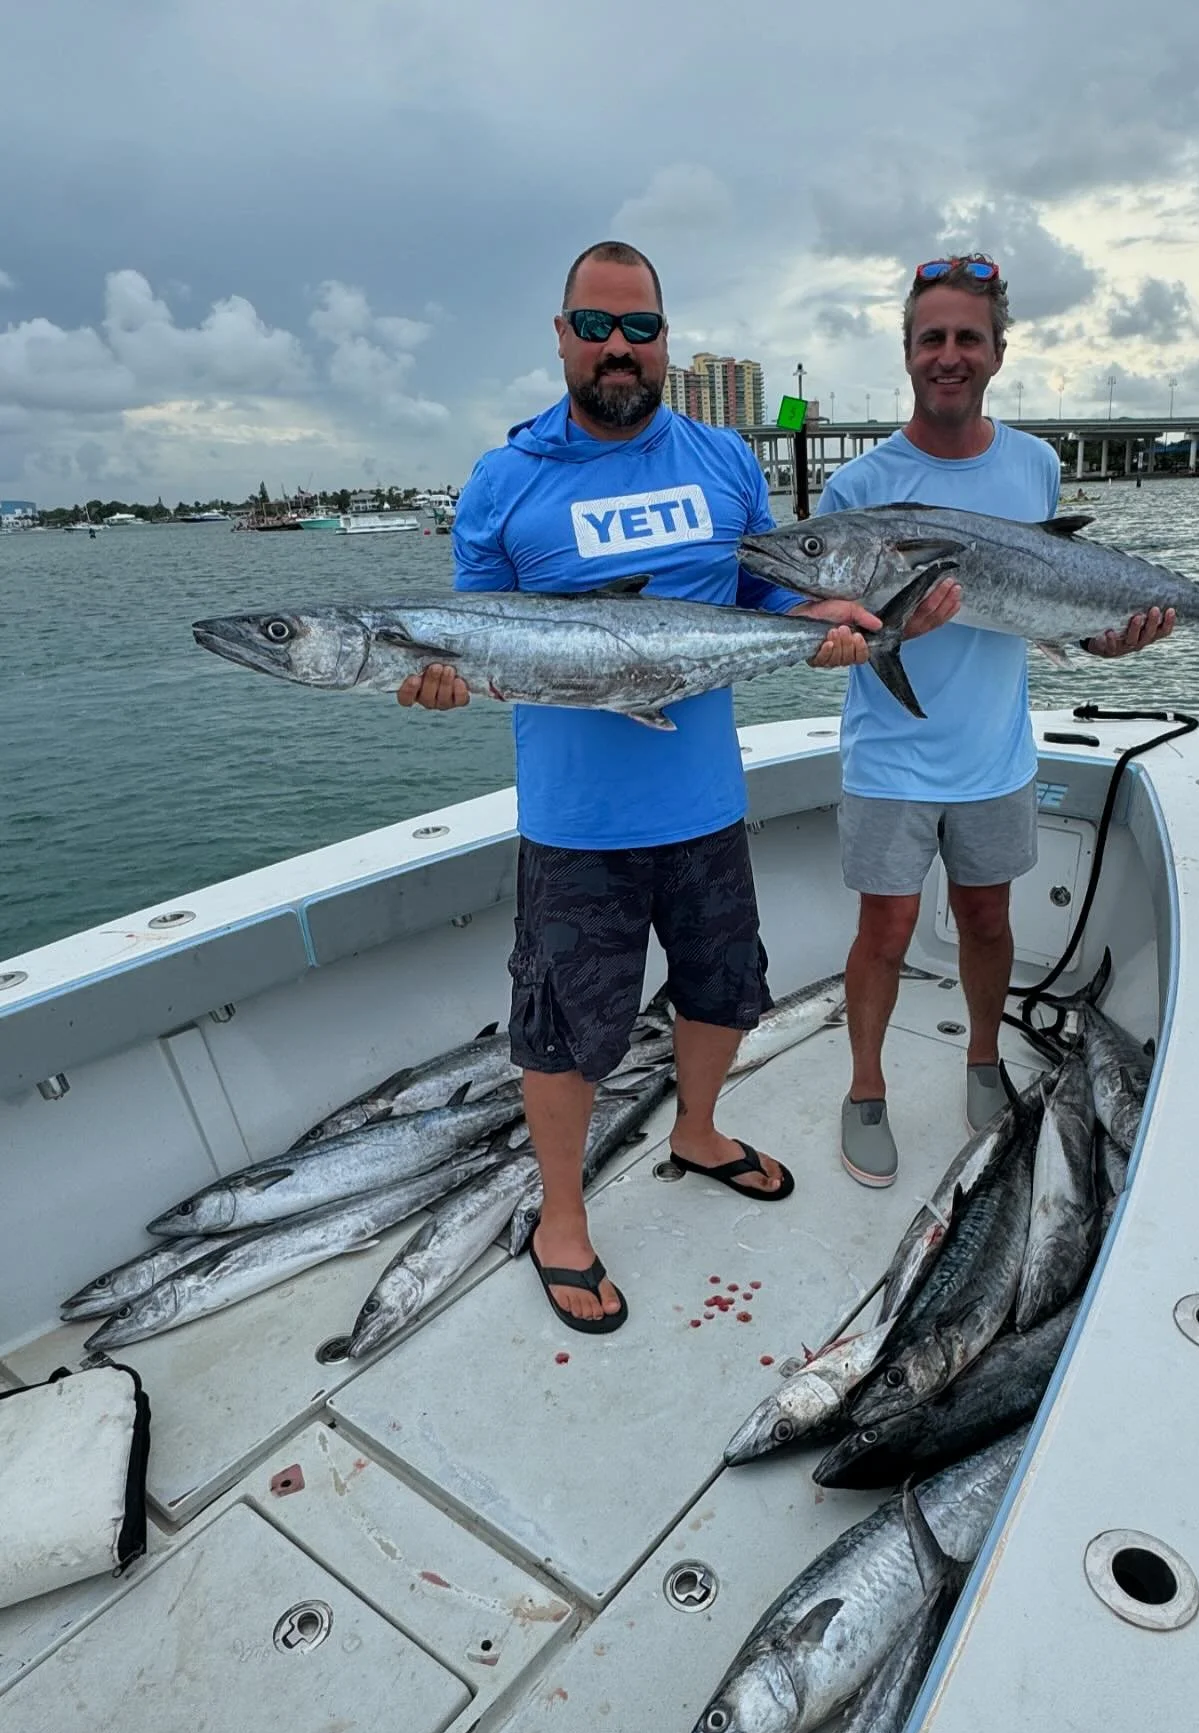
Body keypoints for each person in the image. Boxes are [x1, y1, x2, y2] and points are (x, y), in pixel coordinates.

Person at [396, 240, 958, 1327]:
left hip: (705, 804)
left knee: (722, 989)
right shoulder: (504, 482)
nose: (619, 348)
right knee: (563, 1033)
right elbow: (474, 636)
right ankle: (562, 1217)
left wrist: (830, 626)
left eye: (640, 329)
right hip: (577, 824)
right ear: (562, 336)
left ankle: (697, 1132)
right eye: (597, 327)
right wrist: (441, 683)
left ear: (667, 342)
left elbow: (764, 597)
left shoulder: (723, 462)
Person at [814, 254, 1174, 1188]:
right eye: (931, 338)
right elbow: (827, 637)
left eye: (967, 337)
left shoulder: (1035, 465)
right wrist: (889, 624)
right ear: (907, 352)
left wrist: (1111, 642)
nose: (949, 355)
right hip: (891, 754)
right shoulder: (860, 491)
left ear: (997, 352)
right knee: (884, 932)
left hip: (997, 753)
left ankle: (982, 1058)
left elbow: (1055, 606)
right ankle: (865, 1087)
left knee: (987, 919)